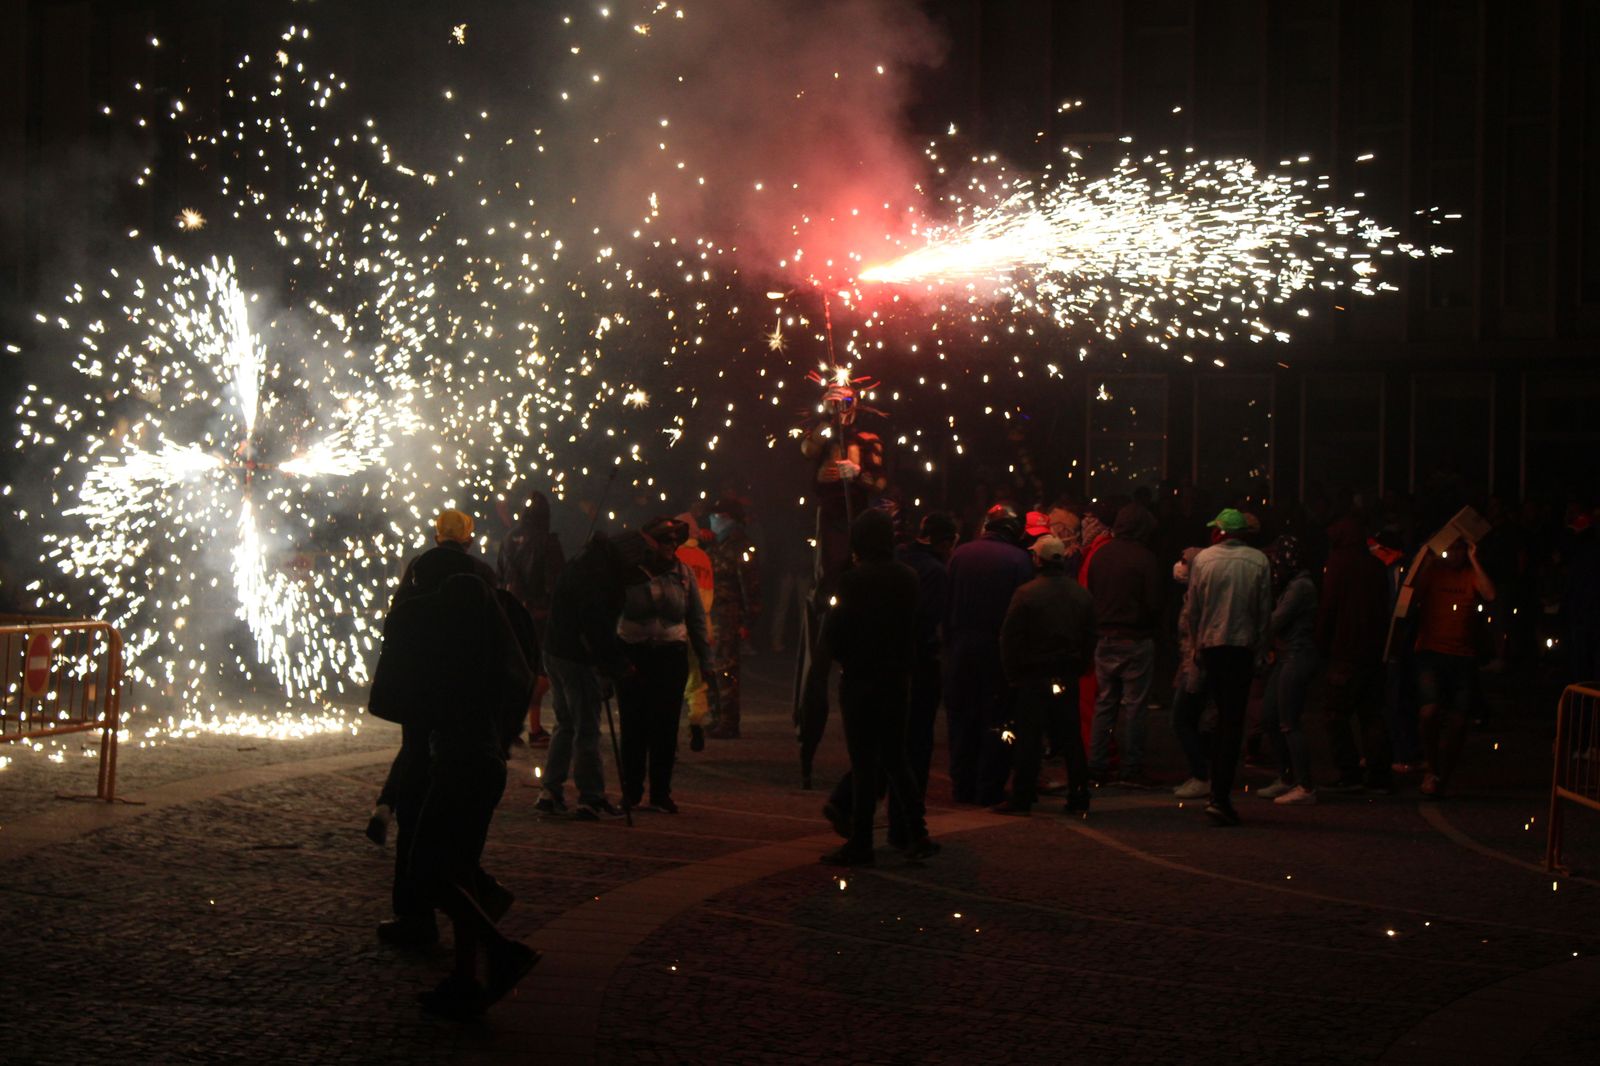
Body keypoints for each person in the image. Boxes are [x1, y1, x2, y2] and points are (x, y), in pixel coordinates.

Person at [402, 572, 540, 1019]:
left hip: (460, 766)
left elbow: (420, 705)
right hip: (486, 765)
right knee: (459, 873)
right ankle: (464, 980)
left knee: (426, 870)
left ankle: (501, 951)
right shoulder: (490, 648)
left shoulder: (455, 654)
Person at [368, 508, 500, 947]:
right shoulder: (483, 576)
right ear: (468, 538)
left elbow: (397, 637)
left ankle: (416, 917)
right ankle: (475, 914)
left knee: (416, 816)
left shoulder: (418, 572)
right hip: (469, 716)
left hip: (423, 710)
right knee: (458, 831)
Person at [823, 510, 956, 847]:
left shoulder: (853, 581)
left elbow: (835, 633)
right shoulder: (908, 577)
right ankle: (917, 833)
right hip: (897, 677)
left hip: (861, 677)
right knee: (896, 758)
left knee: (865, 762)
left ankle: (861, 840)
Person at [617, 516, 716, 812]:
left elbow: (696, 618)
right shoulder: (629, 573)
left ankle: (661, 792)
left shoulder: (683, 572)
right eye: (665, 541)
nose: (672, 546)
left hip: (670, 655)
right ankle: (631, 791)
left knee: (665, 726)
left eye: (675, 541)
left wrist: (706, 660)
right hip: (634, 654)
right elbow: (612, 613)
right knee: (633, 726)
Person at [992, 535, 1097, 814]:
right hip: (1066, 674)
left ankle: (1022, 797)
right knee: (1071, 737)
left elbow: (1010, 638)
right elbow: (1090, 636)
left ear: (1038, 559)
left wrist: (1012, 674)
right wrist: (1082, 666)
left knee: (1028, 737)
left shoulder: (1027, 593)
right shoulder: (1080, 594)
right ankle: (1079, 795)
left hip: (1033, 675)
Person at [1182, 508, 1274, 826]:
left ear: (1220, 531)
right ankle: (1220, 794)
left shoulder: (1205, 560)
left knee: (1212, 712)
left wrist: (1195, 646)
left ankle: (1210, 782)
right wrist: (1262, 651)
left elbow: (1194, 608)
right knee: (1232, 721)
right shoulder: (1259, 561)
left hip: (1210, 645)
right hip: (1242, 647)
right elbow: (1264, 612)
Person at [943, 504, 1036, 805]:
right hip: (998, 650)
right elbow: (1023, 612)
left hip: (960, 646)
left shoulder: (960, 554)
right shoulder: (1019, 559)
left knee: (962, 718)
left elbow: (948, 600)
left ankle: (962, 785)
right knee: (997, 721)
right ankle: (989, 787)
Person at [537, 533, 630, 820]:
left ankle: (550, 790)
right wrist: (612, 667)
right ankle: (590, 796)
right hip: (576, 657)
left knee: (565, 723)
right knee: (586, 726)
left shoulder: (577, 566)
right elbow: (597, 630)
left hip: (555, 652)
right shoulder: (597, 578)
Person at [1085, 503, 1164, 785]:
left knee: (1105, 704)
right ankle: (1131, 768)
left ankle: (1097, 765)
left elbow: (1090, 593)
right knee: (1135, 707)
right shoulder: (1145, 558)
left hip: (1104, 638)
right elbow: (1154, 602)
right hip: (1136, 638)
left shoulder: (1101, 554)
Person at [1410, 537, 1495, 797]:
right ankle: (1431, 767)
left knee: (1459, 722)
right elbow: (1411, 593)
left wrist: (1474, 558)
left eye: (1460, 549)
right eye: (1452, 549)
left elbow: (1490, 594)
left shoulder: (1470, 574)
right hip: (1431, 653)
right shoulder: (1434, 572)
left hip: (1463, 657)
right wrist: (1429, 558)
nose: (1455, 554)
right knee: (1429, 712)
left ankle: (1441, 775)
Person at [1317, 515, 1394, 793]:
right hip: (1373, 651)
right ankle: (1379, 774)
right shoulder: (1375, 565)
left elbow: (1329, 607)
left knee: (1335, 713)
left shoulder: (1338, 564)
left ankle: (1348, 771)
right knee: (1371, 713)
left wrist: (1322, 643)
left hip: (1345, 650)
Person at [1256, 536, 1321, 805]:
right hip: (1286, 655)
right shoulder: (1293, 584)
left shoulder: (1300, 587)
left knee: (1289, 722)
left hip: (1297, 655)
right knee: (1270, 716)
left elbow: (1275, 620)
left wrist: (1254, 624)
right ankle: (1286, 777)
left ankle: (1305, 786)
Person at [496, 492, 564, 746]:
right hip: (538, 614)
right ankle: (533, 728)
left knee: (519, 668)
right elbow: (555, 582)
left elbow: (500, 574)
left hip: (511, 612)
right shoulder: (547, 542)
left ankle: (511, 726)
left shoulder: (509, 537)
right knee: (541, 672)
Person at [706, 497, 761, 739]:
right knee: (715, 668)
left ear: (727, 518)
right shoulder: (718, 544)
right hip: (714, 614)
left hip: (729, 615)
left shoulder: (739, 545)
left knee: (726, 669)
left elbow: (749, 585)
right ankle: (718, 716)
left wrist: (748, 621)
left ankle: (728, 721)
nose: (712, 520)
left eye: (717, 516)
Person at [1169, 546, 1212, 800]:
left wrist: (1192, 669)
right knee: (1192, 720)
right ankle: (1200, 772)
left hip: (1197, 666)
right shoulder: (1190, 595)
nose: (1179, 565)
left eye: (1184, 561)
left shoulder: (1200, 596)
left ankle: (1201, 775)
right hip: (1189, 665)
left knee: (1180, 719)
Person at [674, 514, 717, 753]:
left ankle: (669, 736)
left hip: (679, 626)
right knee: (697, 681)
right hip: (703, 626)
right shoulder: (704, 557)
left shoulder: (675, 557)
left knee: (671, 682)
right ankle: (696, 722)